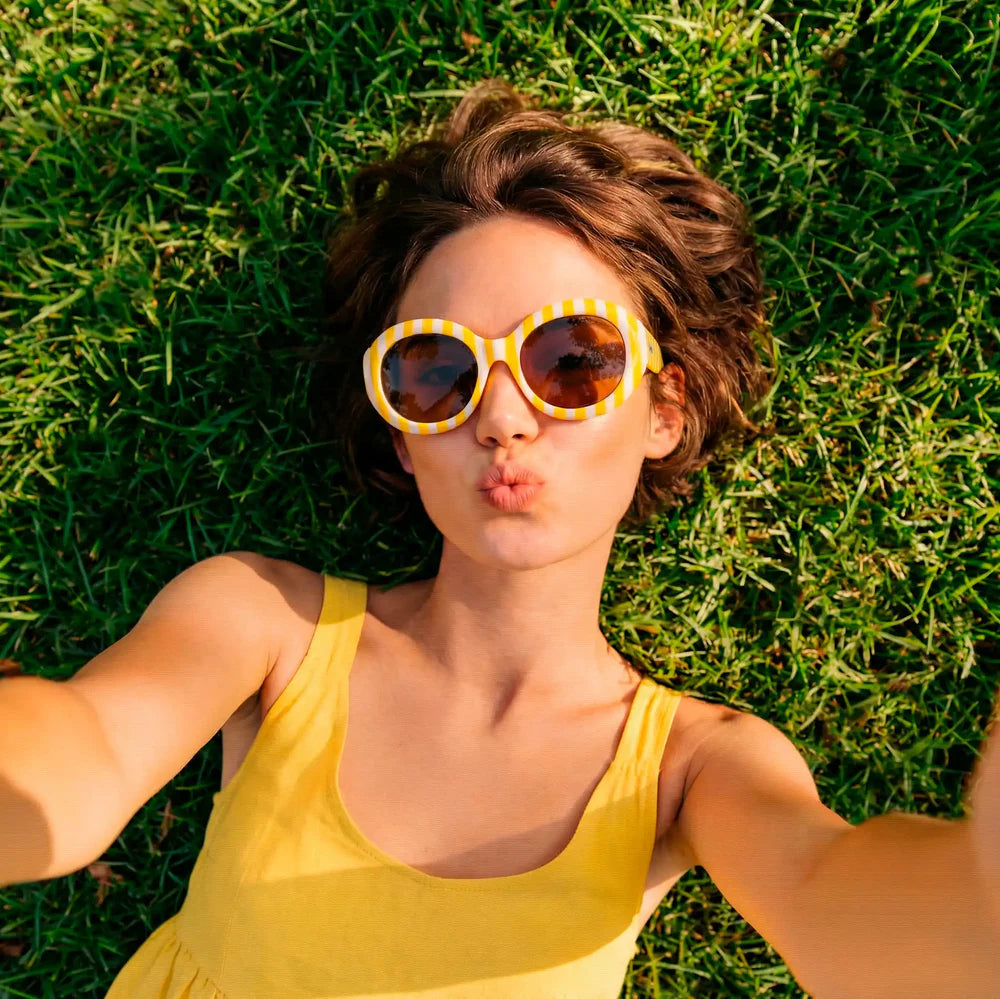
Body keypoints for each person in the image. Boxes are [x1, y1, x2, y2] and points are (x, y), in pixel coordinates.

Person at [2, 80, 997, 999]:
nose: (505, 417)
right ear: (400, 431)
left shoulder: (692, 766)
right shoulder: (267, 626)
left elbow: (848, 913)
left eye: (570, 360)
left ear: (662, 409)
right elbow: (79, 757)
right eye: (436, 371)